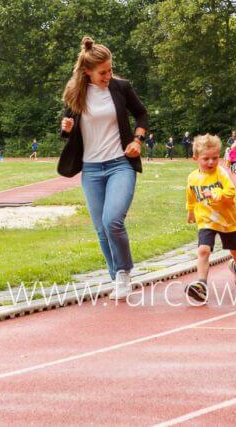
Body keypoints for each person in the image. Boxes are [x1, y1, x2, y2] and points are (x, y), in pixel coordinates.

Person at [58, 36, 148, 300]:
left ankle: (123, 273)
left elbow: (141, 114)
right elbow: (67, 126)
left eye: (110, 69)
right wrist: (66, 129)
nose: (108, 75)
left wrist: (137, 140)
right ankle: (115, 276)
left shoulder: (121, 87)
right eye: (103, 72)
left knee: (113, 221)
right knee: (100, 229)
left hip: (121, 164)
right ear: (87, 71)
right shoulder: (75, 92)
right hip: (92, 170)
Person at [185, 134, 236, 303]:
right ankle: (201, 285)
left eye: (215, 158)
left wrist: (216, 193)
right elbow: (191, 196)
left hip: (227, 221)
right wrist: (190, 211)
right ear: (196, 158)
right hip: (206, 219)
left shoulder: (221, 174)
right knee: (203, 250)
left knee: (235, 251)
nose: (211, 162)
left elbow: (231, 192)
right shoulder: (192, 177)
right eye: (206, 159)